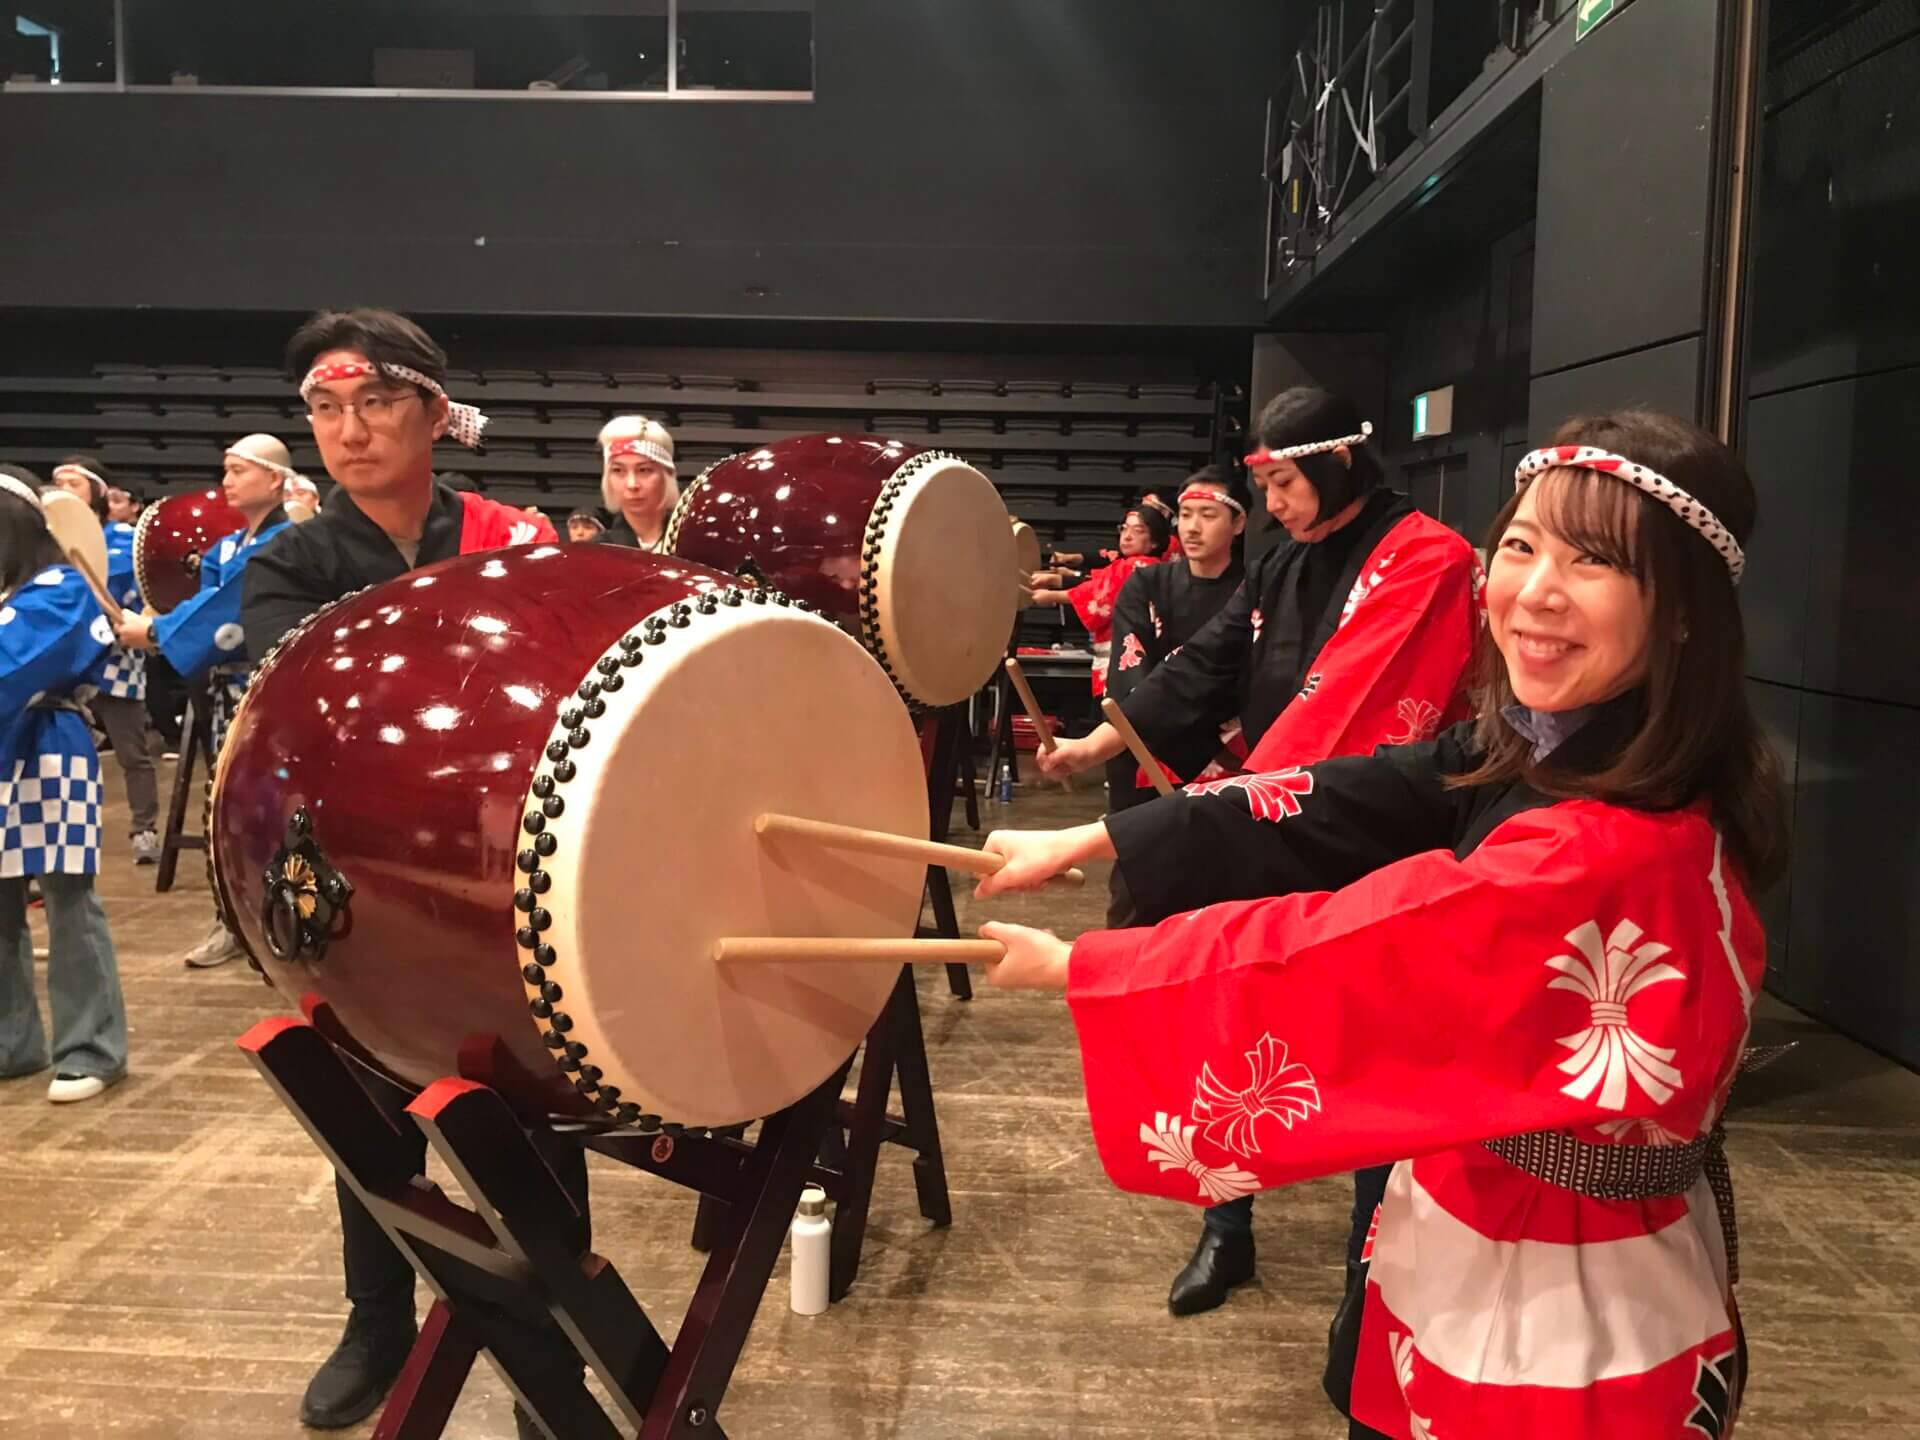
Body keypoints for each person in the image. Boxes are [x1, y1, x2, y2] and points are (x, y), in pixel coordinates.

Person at [976, 411, 1783, 1440]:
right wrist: (1104, 838)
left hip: (1553, 1287)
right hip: (1488, 1204)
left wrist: (1088, 967)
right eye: (1523, 545)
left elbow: (1352, 951)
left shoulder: (1606, 843)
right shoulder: (1569, 743)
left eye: (1596, 561)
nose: (1536, 591)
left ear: (1684, 612)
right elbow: (1360, 785)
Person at [1039, 387, 1484, 1319]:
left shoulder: (1425, 557)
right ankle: (1226, 1226)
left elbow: (1352, 707)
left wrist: (1221, 816)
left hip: (1374, 836)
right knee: (1233, 1027)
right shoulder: (1282, 561)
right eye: (1265, 485)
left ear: (1336, 462)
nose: (1272, 504)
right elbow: (1204, 665)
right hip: (1268, 811)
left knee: (1373, 1052)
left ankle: (1372, 1257)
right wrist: (1099, 743)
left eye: (1284, 482)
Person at [241, 308, 567, 1437]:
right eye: (327, 409)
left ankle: (555, 1337)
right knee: (370, 1105)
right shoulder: (288, 563)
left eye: (376, 402)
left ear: (434, 413)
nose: (350, 431)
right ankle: (375, 1319)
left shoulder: (512, 542)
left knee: (529, 1100)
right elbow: (301, 722)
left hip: (499, 871)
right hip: (347, 880)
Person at [113, 435, 295, 967]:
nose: (227, 481)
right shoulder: (227, 548)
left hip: (271, 693)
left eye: (239, 471)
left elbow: (225, 609)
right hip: (224, 692)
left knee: (274, 807)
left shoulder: (287, 542)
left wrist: (155, 632)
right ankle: (232, 919)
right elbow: (205, 604)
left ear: (274, 479)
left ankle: (281, 920)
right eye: (226, 470)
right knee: (224, 810)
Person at [0, 468, 130, 1105]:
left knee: (68, 900)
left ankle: (91, 1048)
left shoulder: (62, 588)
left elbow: (17, 665)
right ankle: (10, 1043)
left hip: (48, 749)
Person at [1103, 467, 1247, 822]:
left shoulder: (1253, 588)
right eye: (1185, 515)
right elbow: (1130, 668)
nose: (1192, 528)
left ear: (1238, 523)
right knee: (1136, 846)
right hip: (1143, 743)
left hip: (1227, 753)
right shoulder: (1146, 585)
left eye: (1208, 515)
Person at [50, 456, 163, 863]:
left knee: (132, 752)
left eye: (74, 483)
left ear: (97, 492)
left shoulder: (123, 539)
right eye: (58, 482)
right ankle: (57, 830)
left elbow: (112, 586)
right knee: (54, 752)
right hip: (63, 659)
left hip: (115, 657)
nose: (63, 489)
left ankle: (144, 828)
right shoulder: (48, 543)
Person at [1027, 503, 1172, 696]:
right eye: (1124, 529)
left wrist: (1053, 595)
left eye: (1138, 531)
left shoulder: (1139, 566)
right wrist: (1054, 580)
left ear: (1154, 541)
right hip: (1127, 655)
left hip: (1129, 658)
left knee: (1116, 708)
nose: (1127, 536)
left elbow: (1101, 592)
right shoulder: (1134, 565)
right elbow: (1096, 581)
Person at [594, 415, 678, 550]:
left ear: (666, 474)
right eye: (618, 470)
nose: (632, 484)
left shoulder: (694, 542)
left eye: (644, 470)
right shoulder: (598, 550)